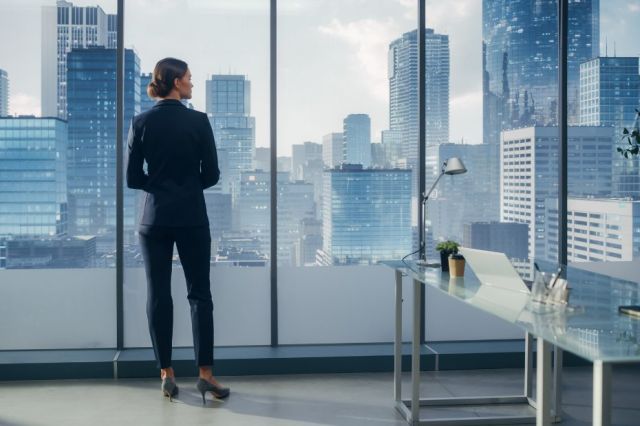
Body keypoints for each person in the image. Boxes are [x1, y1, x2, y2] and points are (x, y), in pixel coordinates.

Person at [125, 57, 229, 404]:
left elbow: (132, 178)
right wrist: (187, 186)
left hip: (153, 218)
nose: (192, 83)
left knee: (159, 295)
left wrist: (159, 185)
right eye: (188, 78)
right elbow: (212, 174)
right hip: (192, 217)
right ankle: (206, 375)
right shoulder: (198, 121)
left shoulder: (140, 122)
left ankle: (166, 375)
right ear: (173, 82)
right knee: (200, 295)